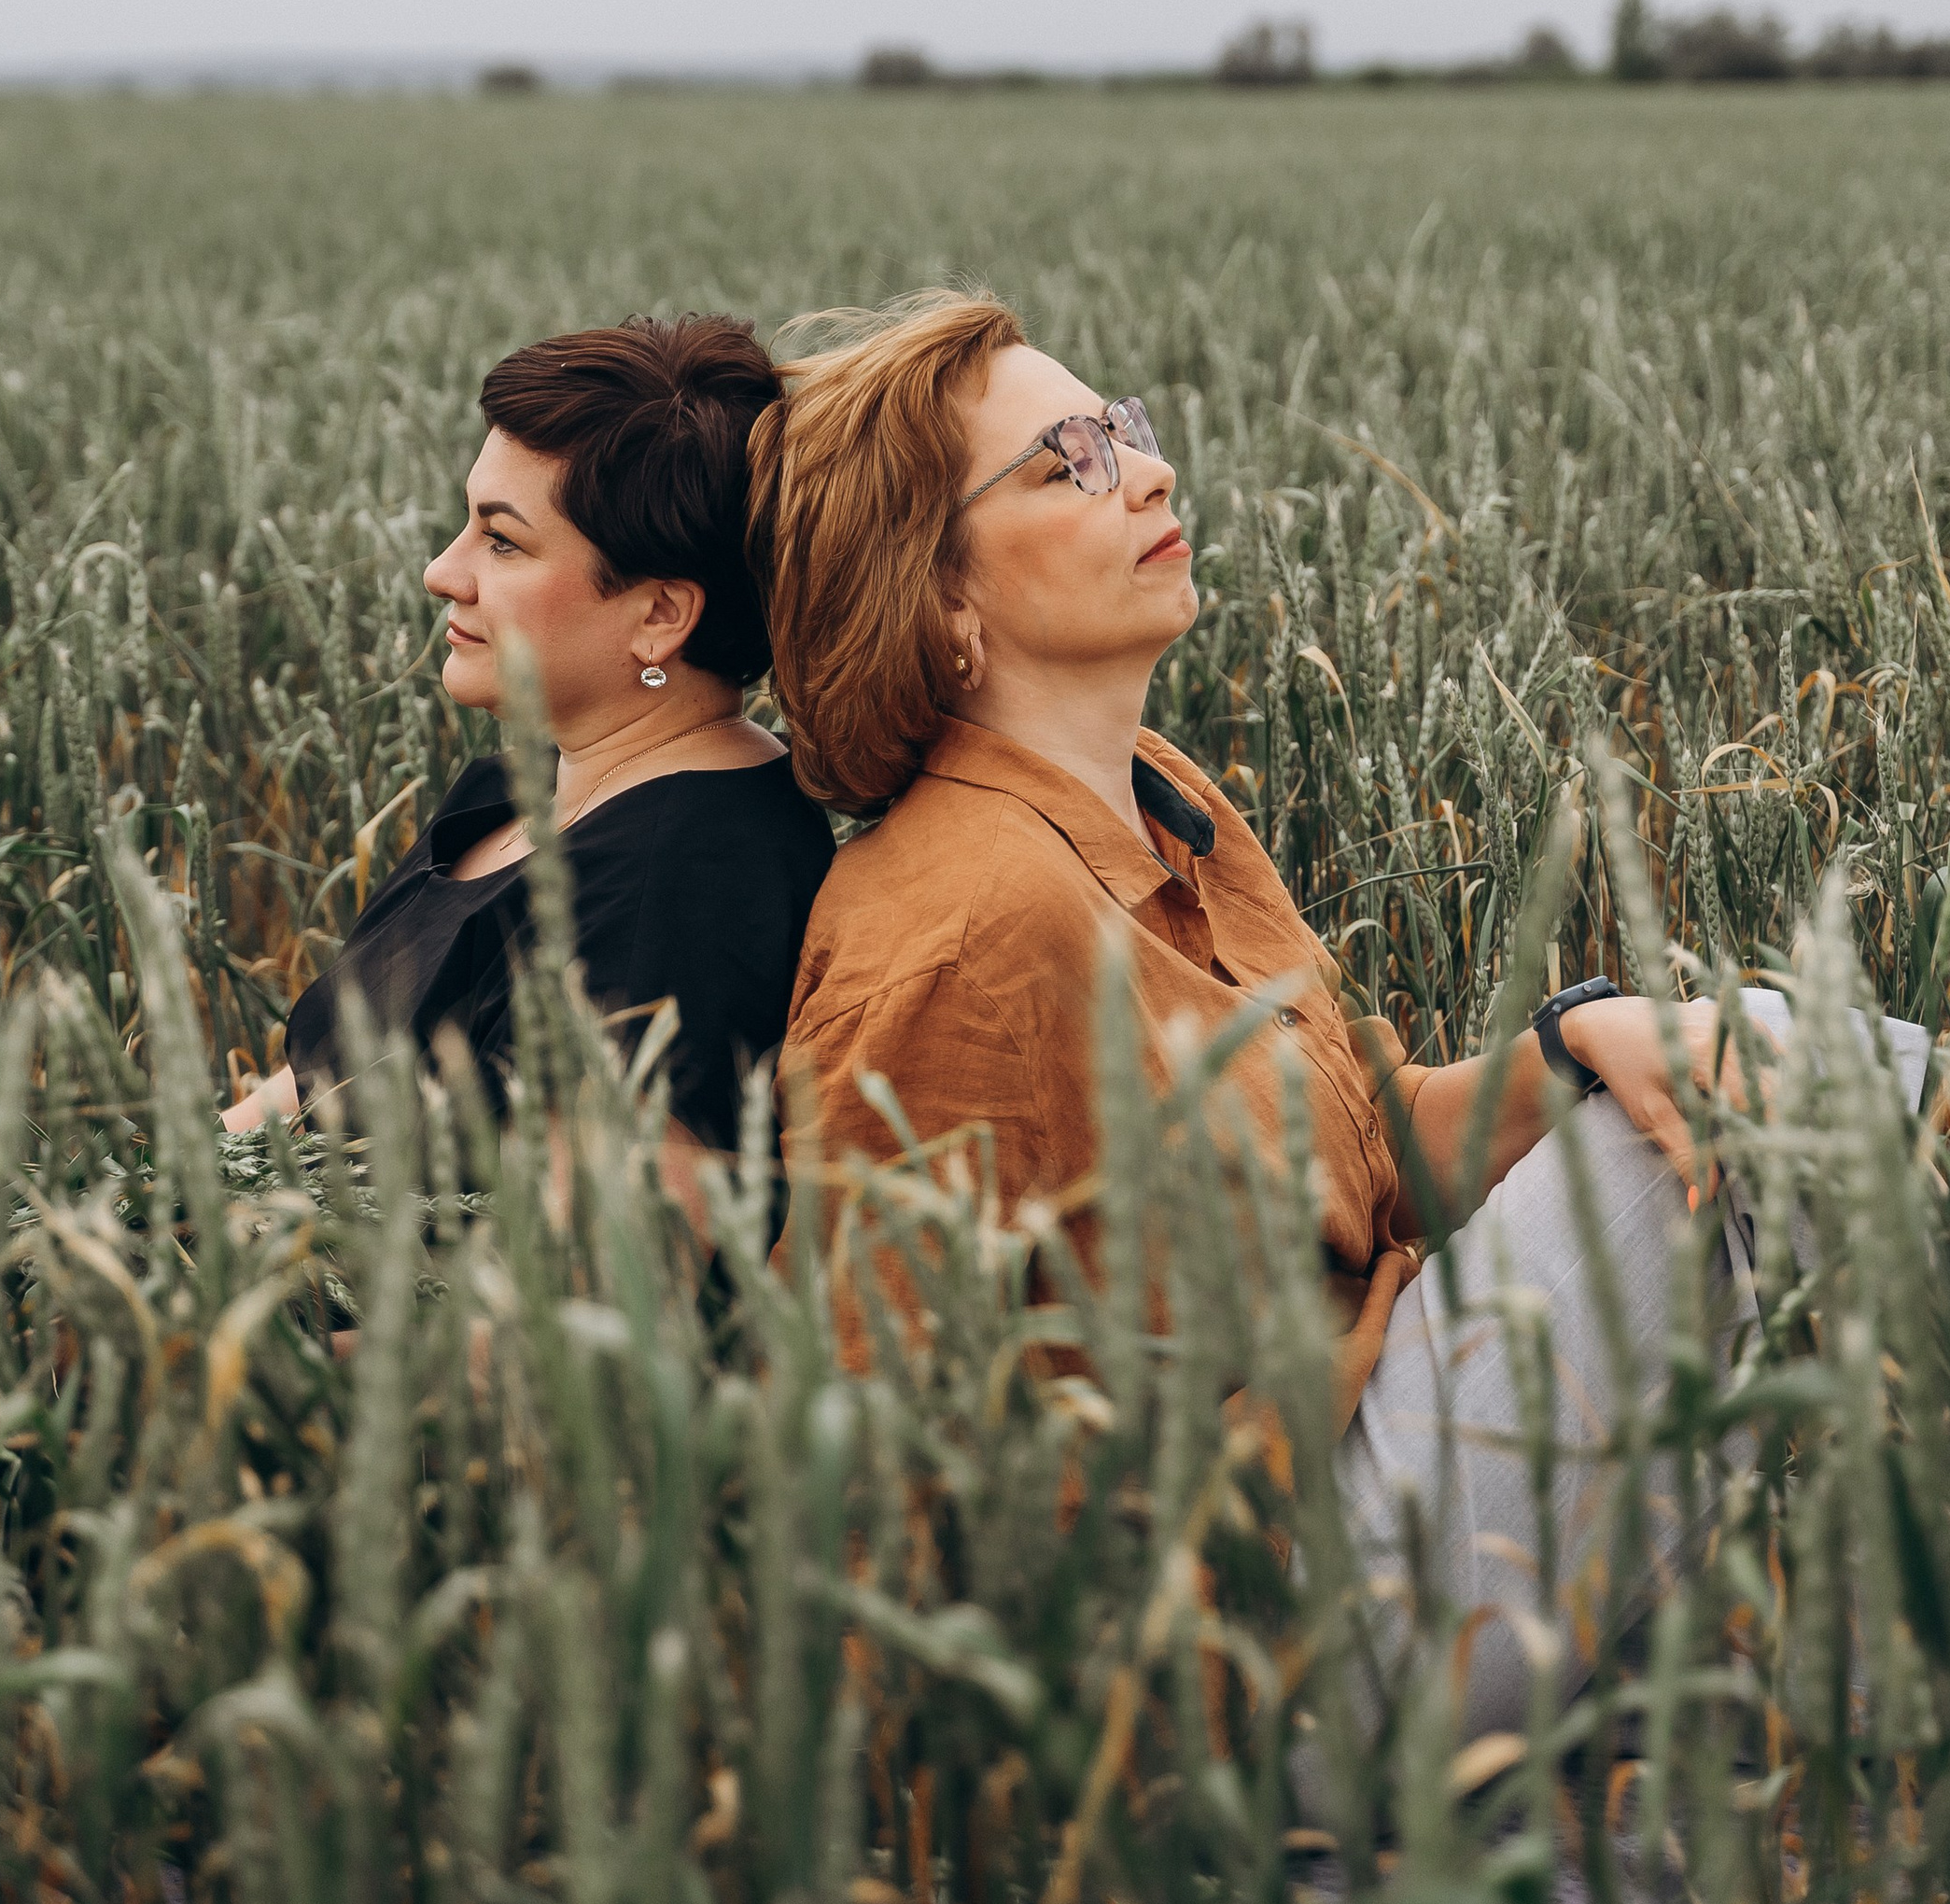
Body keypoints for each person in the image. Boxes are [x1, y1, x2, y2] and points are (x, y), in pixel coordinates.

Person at [746, 289, 1738, 1734]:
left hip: (1364, 1486)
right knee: (1778, 1101)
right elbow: (862, 1434)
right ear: (941, 595)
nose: (1144, 470)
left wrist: (1579, 1034)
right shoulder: (963, 929)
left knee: (1753, 1063)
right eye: (1064, 462)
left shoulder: (1163, 800)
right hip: (1243, 1670)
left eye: (1120, 429)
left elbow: (1371, 1151)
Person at [224, 316, 836, 1194]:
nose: (443, 570)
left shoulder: (686, 887)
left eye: (502, 541)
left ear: (660, 614)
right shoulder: (513, 794)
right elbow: (312, 1091)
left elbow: (585, 1295)